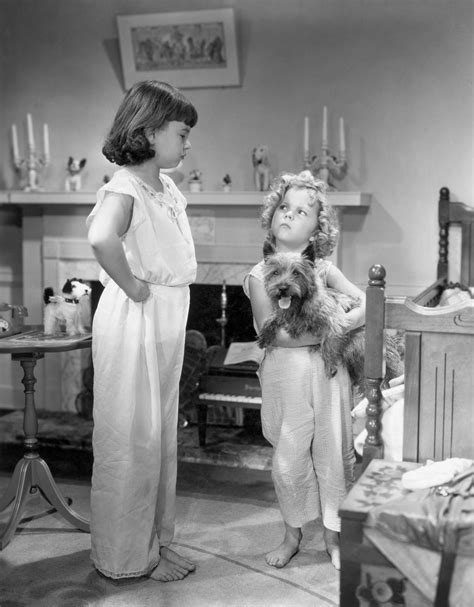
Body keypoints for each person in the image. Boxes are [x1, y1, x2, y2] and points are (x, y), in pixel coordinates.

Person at [86, 80, 198, 582]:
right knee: (130, 440)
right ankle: (127, 556)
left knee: (157, 440)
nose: (187, 142)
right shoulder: (124, 186)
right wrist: (132, 288)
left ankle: (155, 542)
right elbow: (99, 236)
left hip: (164, 318)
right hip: (137, 318)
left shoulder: (165, 186)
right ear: (149, 132)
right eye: (182, 132)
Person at [243, 170, 365, 570]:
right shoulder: (260, 276)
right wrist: (329, 330)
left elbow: (368, 304)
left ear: (316, 231)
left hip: (328, 375)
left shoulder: (324, 269)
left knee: (334, 452)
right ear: (271, 215)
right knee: (288, 457)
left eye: (302, 211)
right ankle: (291, 534)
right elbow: (269, 332)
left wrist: (345, 322)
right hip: (285, 378)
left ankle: (334, 537)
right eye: (284, 207)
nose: (290, 215)